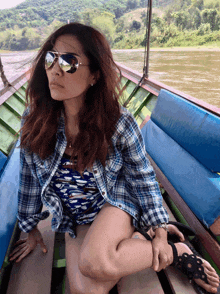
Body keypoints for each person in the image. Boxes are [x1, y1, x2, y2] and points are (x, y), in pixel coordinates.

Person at [9, 23, 219, 294]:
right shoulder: (35, 120)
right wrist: (29, 226)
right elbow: (28, 177)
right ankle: (133, 244)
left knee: (96, 261)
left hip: (113, 201)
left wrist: (158, 228)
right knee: (85, 290)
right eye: (51, 58)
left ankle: (177, 252)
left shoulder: (117, 121)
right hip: (75, 214)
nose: (55, 69)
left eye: (69, 62)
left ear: (94, 75)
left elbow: (142, 175)